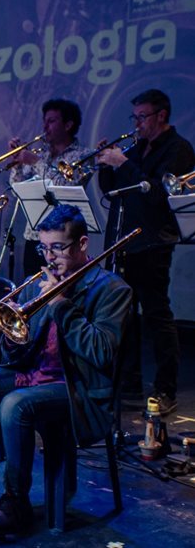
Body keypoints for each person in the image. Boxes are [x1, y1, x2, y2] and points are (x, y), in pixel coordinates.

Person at [0, 204, 132, 535]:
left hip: (76, 387)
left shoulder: (111, 290)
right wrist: (12, 334)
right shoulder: (41, 282)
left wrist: (61, 305)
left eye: (58, 247)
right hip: (33, 373)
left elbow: (101, 352)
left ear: (82, 245)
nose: (50, 257)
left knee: (15, 404)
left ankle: (15, 501)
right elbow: (21, 345)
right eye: (45, 248)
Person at [97, 89, 195, 416]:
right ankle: (129, 384)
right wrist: (106, 165)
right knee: (123, 318)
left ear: (161, 116)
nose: (137, 124)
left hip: (153, 242)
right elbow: (112, 192)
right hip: (124, 241)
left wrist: (122, 162)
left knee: (156, 316)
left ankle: (166, 389)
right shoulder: (139, 147)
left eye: (142, 117)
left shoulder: (178, 149)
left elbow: (155, 195)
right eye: (135, 117)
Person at [8, 99, 93, 277]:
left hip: (63, 238)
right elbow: (18, 188)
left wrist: (35, 162)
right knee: (32, 290)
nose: (45, 127)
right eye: (44, 121)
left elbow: (67, 186)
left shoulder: (83, 155)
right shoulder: (42, 154)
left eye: (51, 121)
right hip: (34, 236)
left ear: (68, 125)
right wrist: (16, 163)